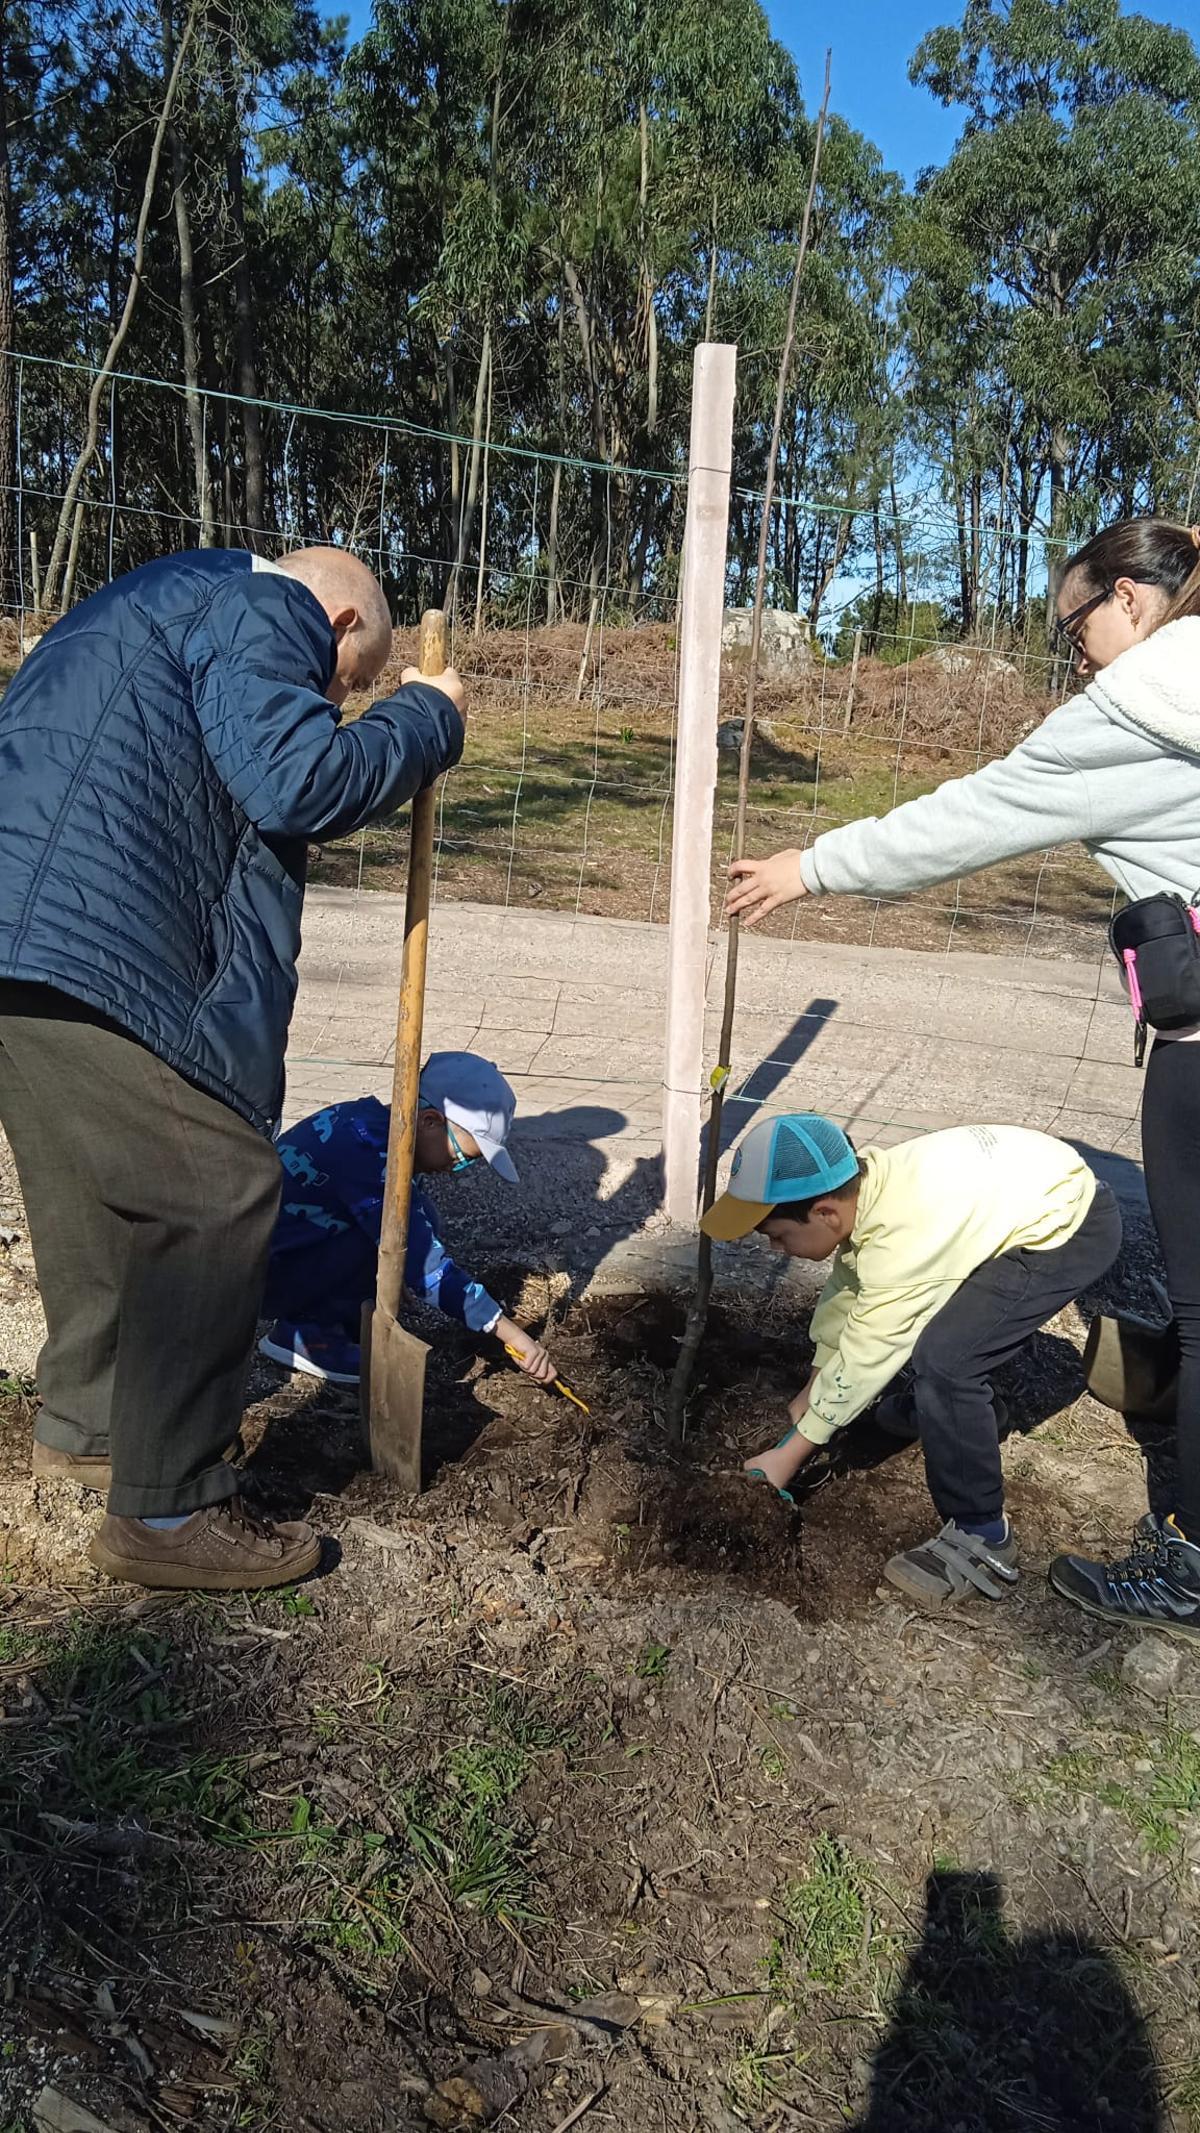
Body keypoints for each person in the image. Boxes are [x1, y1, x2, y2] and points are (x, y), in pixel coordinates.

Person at [725, 516, 1200, 1636]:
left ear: (1129, 598)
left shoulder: (1136, 713)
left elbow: (970, 817)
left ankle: (1183, 1559)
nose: (1074, 654)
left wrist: (813, 865)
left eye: (1074, 626)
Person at [0, 546, 465, 1591]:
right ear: (342, 624)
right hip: (88, 944)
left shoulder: (145, 608)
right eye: (348, 686)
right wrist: (426, 718)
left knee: (96, 1187)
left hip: (21, 942)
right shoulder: (263, 607)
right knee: (219, 1188)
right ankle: (165, 1515)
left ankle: (89, 1424)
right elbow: (298, 778)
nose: (336, 702)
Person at [703, 1111, 1120, 1609]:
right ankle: (968, 1418)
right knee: (948, 1342)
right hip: (1021, 1192)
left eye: (777, 1236)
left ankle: (981, 1532)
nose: (776, 1249)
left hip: (1067, 1227)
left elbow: (869, 1352)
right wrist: (811, 1390)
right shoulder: (868, 1192)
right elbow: (847, 1293)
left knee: (947, 1362)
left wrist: (789, 1455)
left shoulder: (905, 1237)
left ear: (825, 1215)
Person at [259, 1052, 560, 1387]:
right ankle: (307, 1334)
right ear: (430, 1121)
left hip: (286, 1251)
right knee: (400, 1232)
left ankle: (331, 1317)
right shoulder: (365, 1153)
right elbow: (427, 1267)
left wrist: (391, 1275)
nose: (455, 1169)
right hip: (262, 1275)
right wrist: (512, 1334)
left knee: (419, 1216)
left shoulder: (373, 1127)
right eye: (462, 1158)